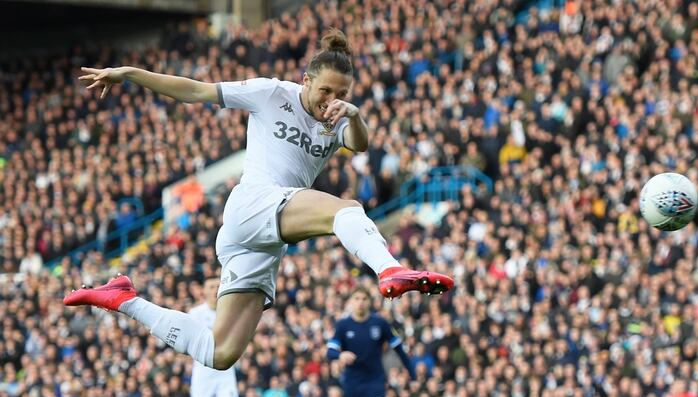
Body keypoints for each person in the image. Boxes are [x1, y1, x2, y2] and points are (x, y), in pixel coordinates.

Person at [63, 29, 453, 378]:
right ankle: (390, 270)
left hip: (263, 239)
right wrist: (130, 73)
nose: (332, 101)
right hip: (252, 204)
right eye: (326, 91)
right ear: (306, 81)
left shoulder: (338, 123)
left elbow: (360, 142)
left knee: (220, 353)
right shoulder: (272, 93)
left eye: (342, 95)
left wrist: (354, 112)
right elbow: (195, 90)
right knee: (347, 209)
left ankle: (123, 299)